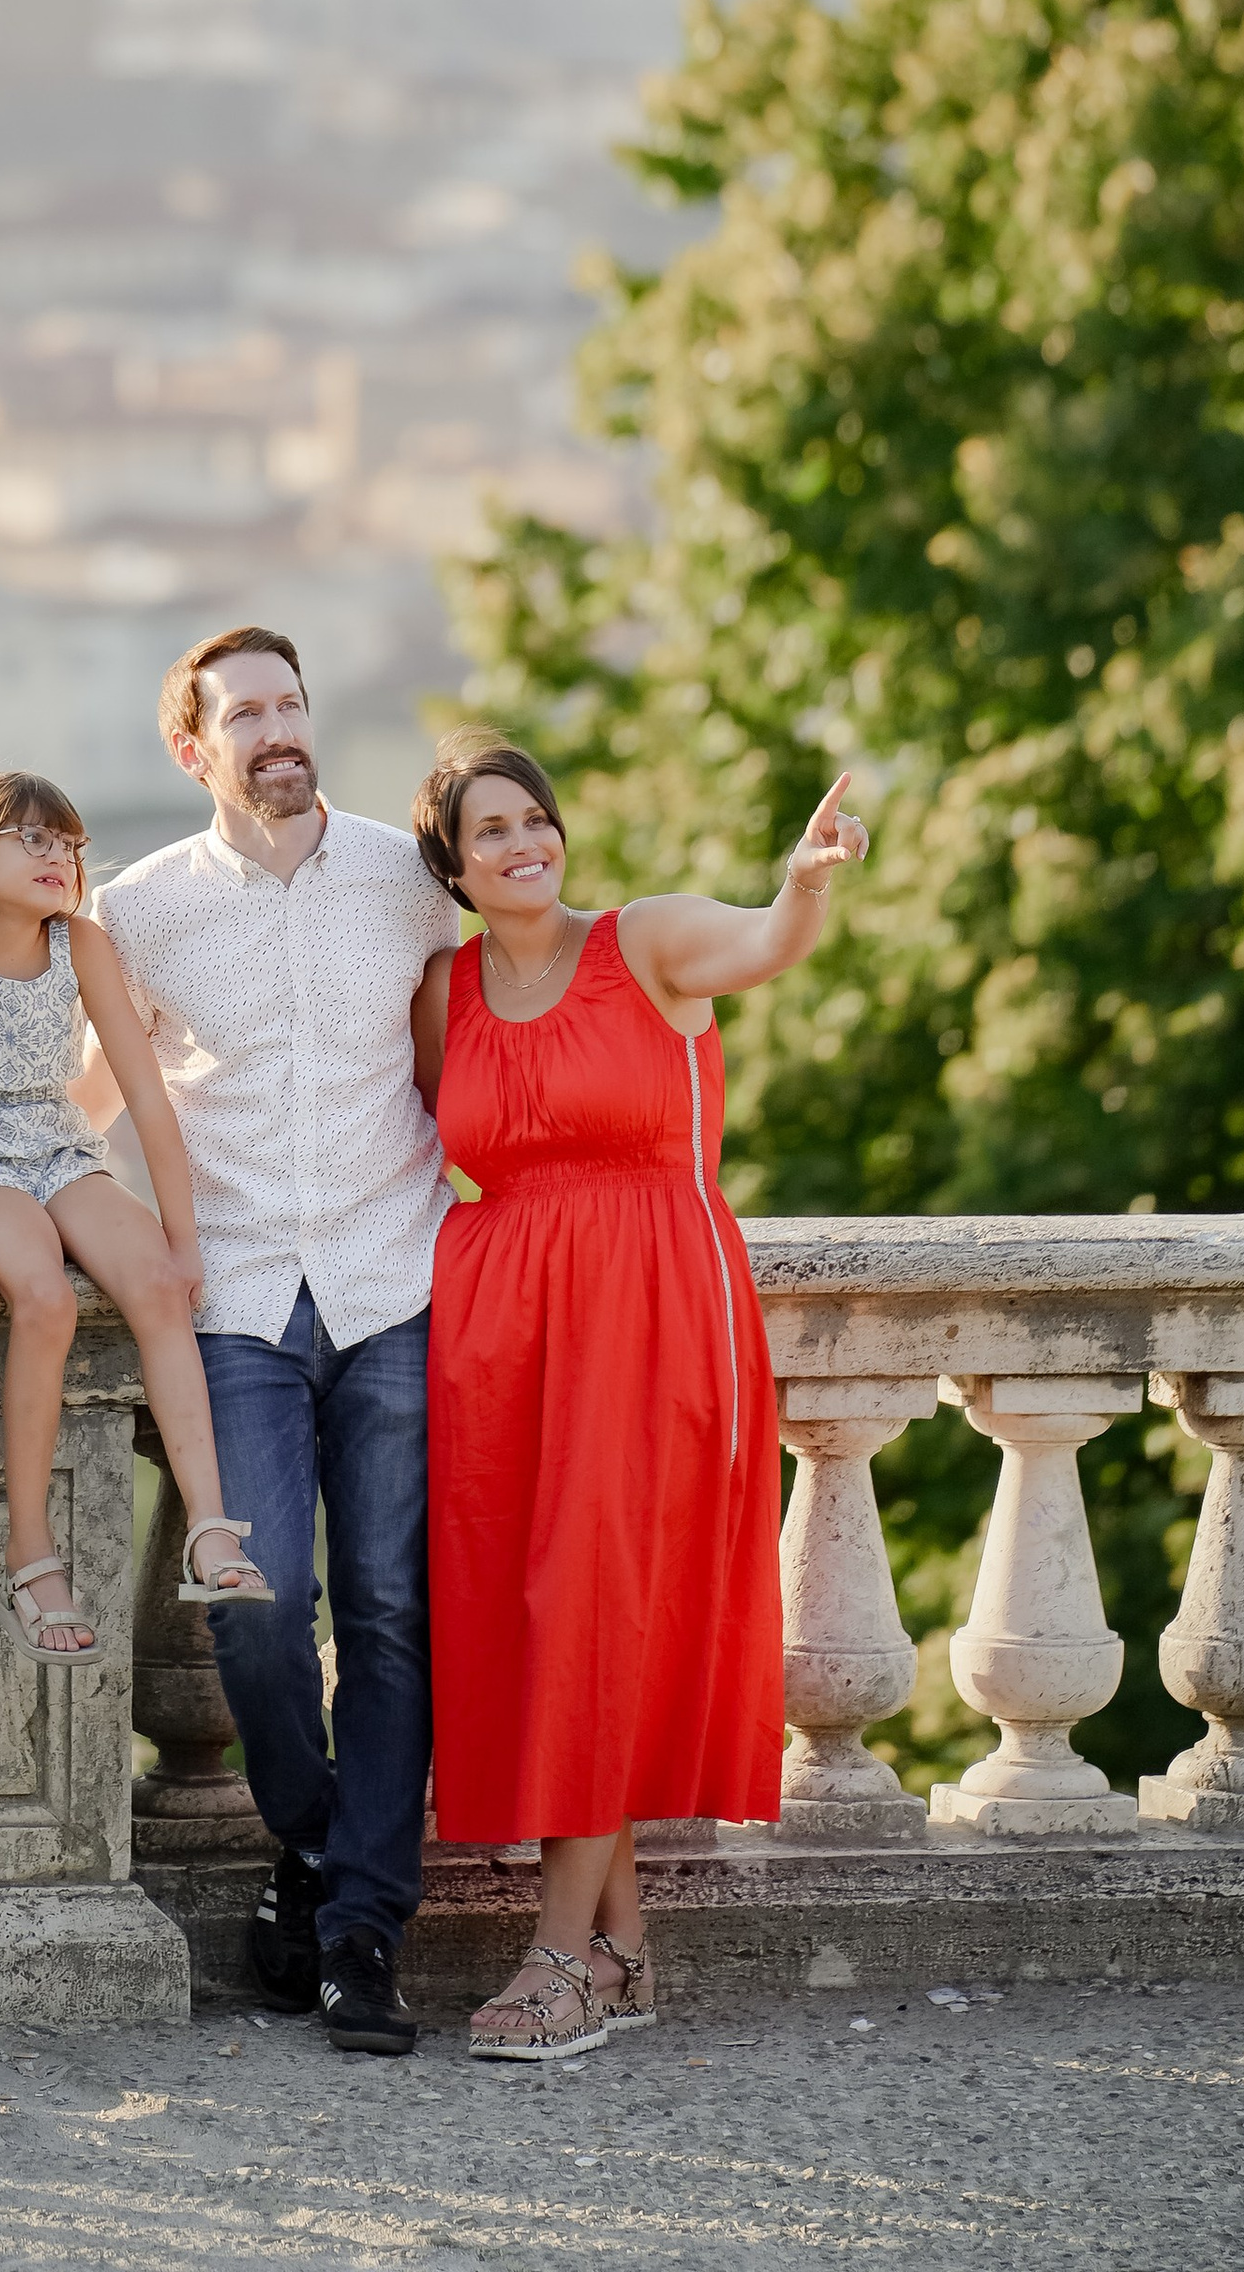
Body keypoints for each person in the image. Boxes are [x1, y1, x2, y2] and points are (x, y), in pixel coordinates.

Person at [412, 733, 870, 2061]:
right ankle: (620, 1951)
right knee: (537, 1613)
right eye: (489, 830)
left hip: (656, 1311)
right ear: (451, 864)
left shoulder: (647, 940)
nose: (524, 844)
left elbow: (769, 943)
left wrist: (806, 880)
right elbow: (434, 1133)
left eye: (536, 818)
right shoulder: (447, 991)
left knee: (598, 1607)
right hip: (504, 1336)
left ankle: (560, 1956)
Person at [92, 626, 455, 2059]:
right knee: (249, 1608)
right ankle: (309, 1843)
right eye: (246, 712)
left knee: (385, 1614)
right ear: (195, 750)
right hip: (232, 1299)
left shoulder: (406, 882)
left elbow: (500, 1015)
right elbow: (78, 1093)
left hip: (394, 1283)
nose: (280, 729)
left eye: (293, 703)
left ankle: (363, 1925)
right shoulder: (134, 914)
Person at [0, 766, 273, 1660]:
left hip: (58, 1145)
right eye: (32, 838)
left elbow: (146, 1096)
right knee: (45, 1297)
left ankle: (211, 1529)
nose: (58, 857)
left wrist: (180, 1241)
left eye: (69, 843)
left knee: (155, 1287)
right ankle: (31, 1549)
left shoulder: (81, 946)